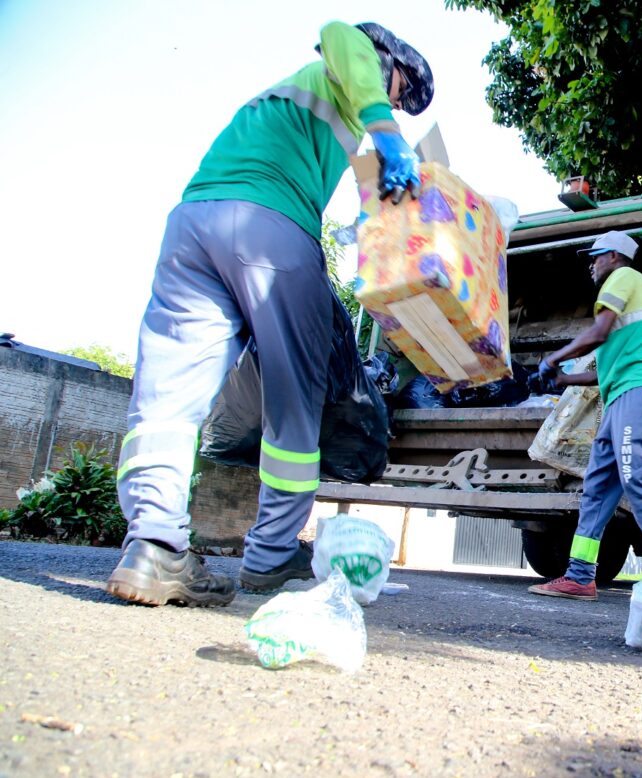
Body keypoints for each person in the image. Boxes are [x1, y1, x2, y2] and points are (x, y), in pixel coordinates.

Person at [104, 22, 433, 607]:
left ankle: (152, 545)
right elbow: (341, 34)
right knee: (294, 398)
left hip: (193, 226)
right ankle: (272, 555)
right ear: (386, 58)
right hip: (269, 232)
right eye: (401, 89)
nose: (398, 108)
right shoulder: (344, 64)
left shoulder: (300, 103)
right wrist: (384, 128)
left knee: (167, 397)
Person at [528, 230, 642, 601]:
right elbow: (602, 372)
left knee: (635, 479)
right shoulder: (623, 307)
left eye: (596, 256)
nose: (592, 264)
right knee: (597, 487)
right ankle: (580, 576)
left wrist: (552, 358)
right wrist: (563, 378)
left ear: (615, 256)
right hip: (621, 396)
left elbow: (596, 334)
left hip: (641, 390)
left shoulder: (624, 278)